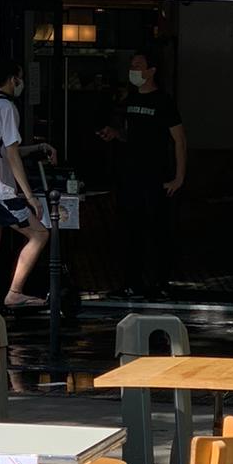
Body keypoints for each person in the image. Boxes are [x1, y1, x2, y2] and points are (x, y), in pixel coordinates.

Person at [0, 57, 55, 309]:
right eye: (20, 76)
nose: (22, 82)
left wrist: (37, 147)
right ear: (13, 78)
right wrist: (29, 195)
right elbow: (12, 154)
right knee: (39, 234)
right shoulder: (6, 107)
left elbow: (2, 149)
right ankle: (14, 292)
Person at [98, 51, 186, 297]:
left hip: (156, 176)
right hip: (129, 175)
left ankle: (161, 283)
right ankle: (131, 282)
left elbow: (179, 140)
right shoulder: (130, 98)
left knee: (158, 230)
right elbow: (130, 134)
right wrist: (115, 134)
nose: (133, 70)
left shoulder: (163, 101)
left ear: (152, 70)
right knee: (130, 230)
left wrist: (179, 177)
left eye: (138, 66)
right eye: (132, 65)